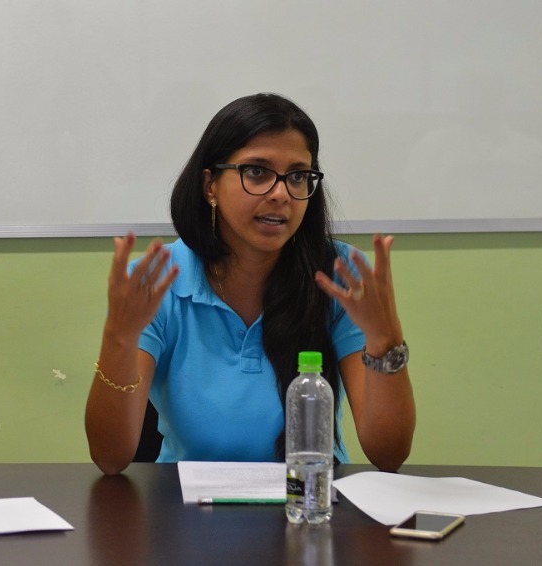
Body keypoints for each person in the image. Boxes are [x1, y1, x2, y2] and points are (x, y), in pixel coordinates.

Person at [85, 93, 415, 475]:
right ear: (210, 185)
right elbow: (110, 459)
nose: (281, 194)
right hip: (183, 511)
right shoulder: (159, 279)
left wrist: (385, 341)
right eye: (257, 172)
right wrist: (118, 338)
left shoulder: (337, 275)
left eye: (297, 176)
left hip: (308, 502)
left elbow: (389, 455)